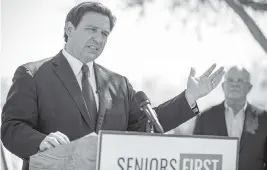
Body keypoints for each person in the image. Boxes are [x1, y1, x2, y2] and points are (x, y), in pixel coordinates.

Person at [1, 1, 224, 170]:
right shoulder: (33, 74)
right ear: (69, 29)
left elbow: (146, 126)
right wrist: (41, 141)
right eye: (91, 30)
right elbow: (11, 127)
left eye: (104, 33)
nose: (98, 39)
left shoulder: (118, 83)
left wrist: (189, 98)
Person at [193, 65, 267, 170]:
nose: (234, 85)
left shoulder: (264, 118)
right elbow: (195, 156)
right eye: (230, 80)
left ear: (249, 87)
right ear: (223, 86)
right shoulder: (205, 118)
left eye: (240, 81)